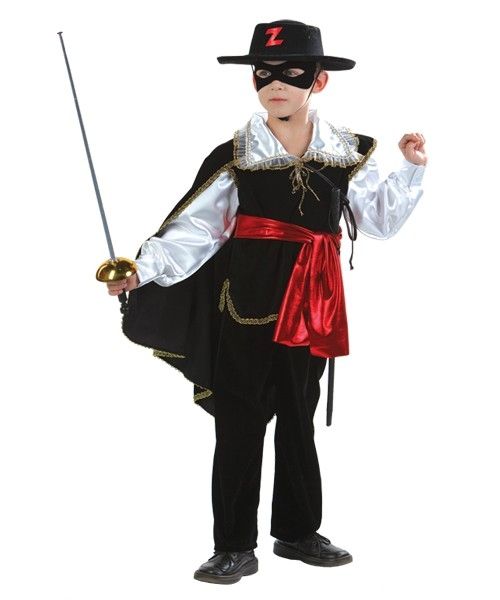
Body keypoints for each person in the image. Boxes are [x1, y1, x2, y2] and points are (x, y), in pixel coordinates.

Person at [106, 19, 428, 585]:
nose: (277, 83)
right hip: (246, 304)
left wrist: (411, 168)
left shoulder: (345, 153)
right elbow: (197, 230)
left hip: (315, 302)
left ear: (318, 82)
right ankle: (233, 545)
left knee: (299, 416)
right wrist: (142, 269)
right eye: (264, 73)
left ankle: (298, 532)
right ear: (253, 80)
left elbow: (379, 221)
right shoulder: (236, 156)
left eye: (292, 73)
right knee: (240, 420)